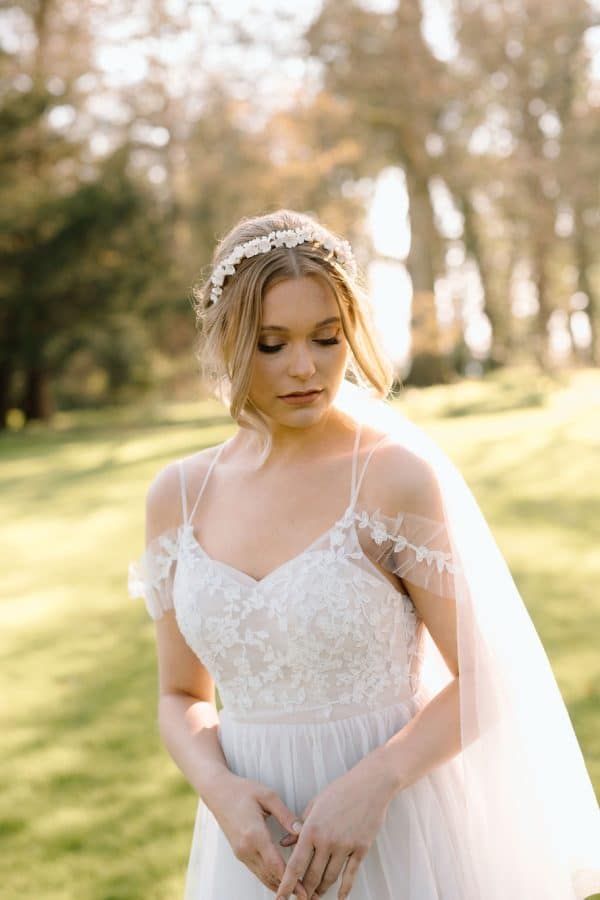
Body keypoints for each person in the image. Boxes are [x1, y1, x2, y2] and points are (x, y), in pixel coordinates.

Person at [128, 209, 600, 899]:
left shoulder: (390, 476)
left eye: (327, 338)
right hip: (253, 849)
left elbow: (485, 677)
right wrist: (220, 789)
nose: (305, 367)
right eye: (271, 344)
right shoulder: (178, 496)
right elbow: (180, 694)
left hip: (401, 831)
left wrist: (377, 781)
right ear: (227, 340)